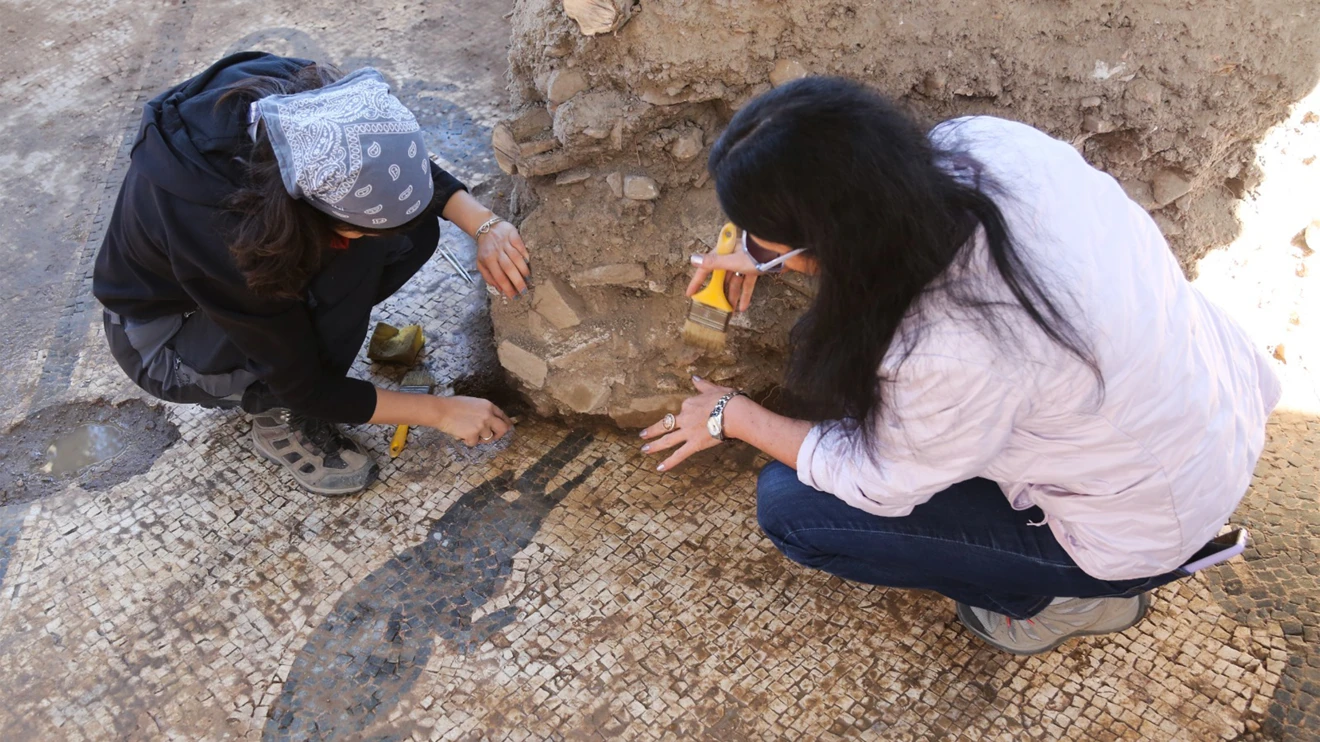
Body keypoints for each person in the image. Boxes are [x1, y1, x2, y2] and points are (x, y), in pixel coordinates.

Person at [640, 77, 1280, 655]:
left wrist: (736, 415)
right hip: (1212, 409)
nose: (750, 249)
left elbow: (878, 484)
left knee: (794, 506)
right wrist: (774, 252)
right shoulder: (983, 146)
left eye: (765, 242)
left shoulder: (944, 347)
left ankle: (1069, 597)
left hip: (1139, 522)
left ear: (831, 241)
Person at [93, 52, 531, 496]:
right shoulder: (228, 239)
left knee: (408, 233)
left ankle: (314, 326)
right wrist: (440, 412)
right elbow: (305, 386)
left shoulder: (301, 101)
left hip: (227, 287)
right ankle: (275, 416)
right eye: (351, 230)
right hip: (167, 341)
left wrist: (485, 225)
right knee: (345, 275)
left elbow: (384, 159)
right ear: (308, 209)